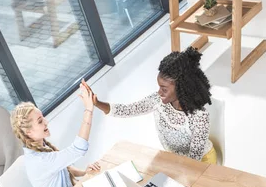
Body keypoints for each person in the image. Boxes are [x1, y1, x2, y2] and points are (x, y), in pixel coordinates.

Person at [82, 47, 215, 163]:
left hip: (201, 162)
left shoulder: (199, 116)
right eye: (159, 87)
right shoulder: (158, 100)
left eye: (164, 89)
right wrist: (96, 103)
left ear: (181, 88)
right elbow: (128, 110)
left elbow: (194, 160)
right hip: (175, 160)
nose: (159, 92)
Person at [10, 82, 100, 187]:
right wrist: (88, 110)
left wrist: (85, 172)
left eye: (43, 118)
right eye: (40, 121)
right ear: (28, 132)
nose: (46, 122)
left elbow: (64, 169)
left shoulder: (41, 147)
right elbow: (78, 149)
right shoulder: (41, 160)